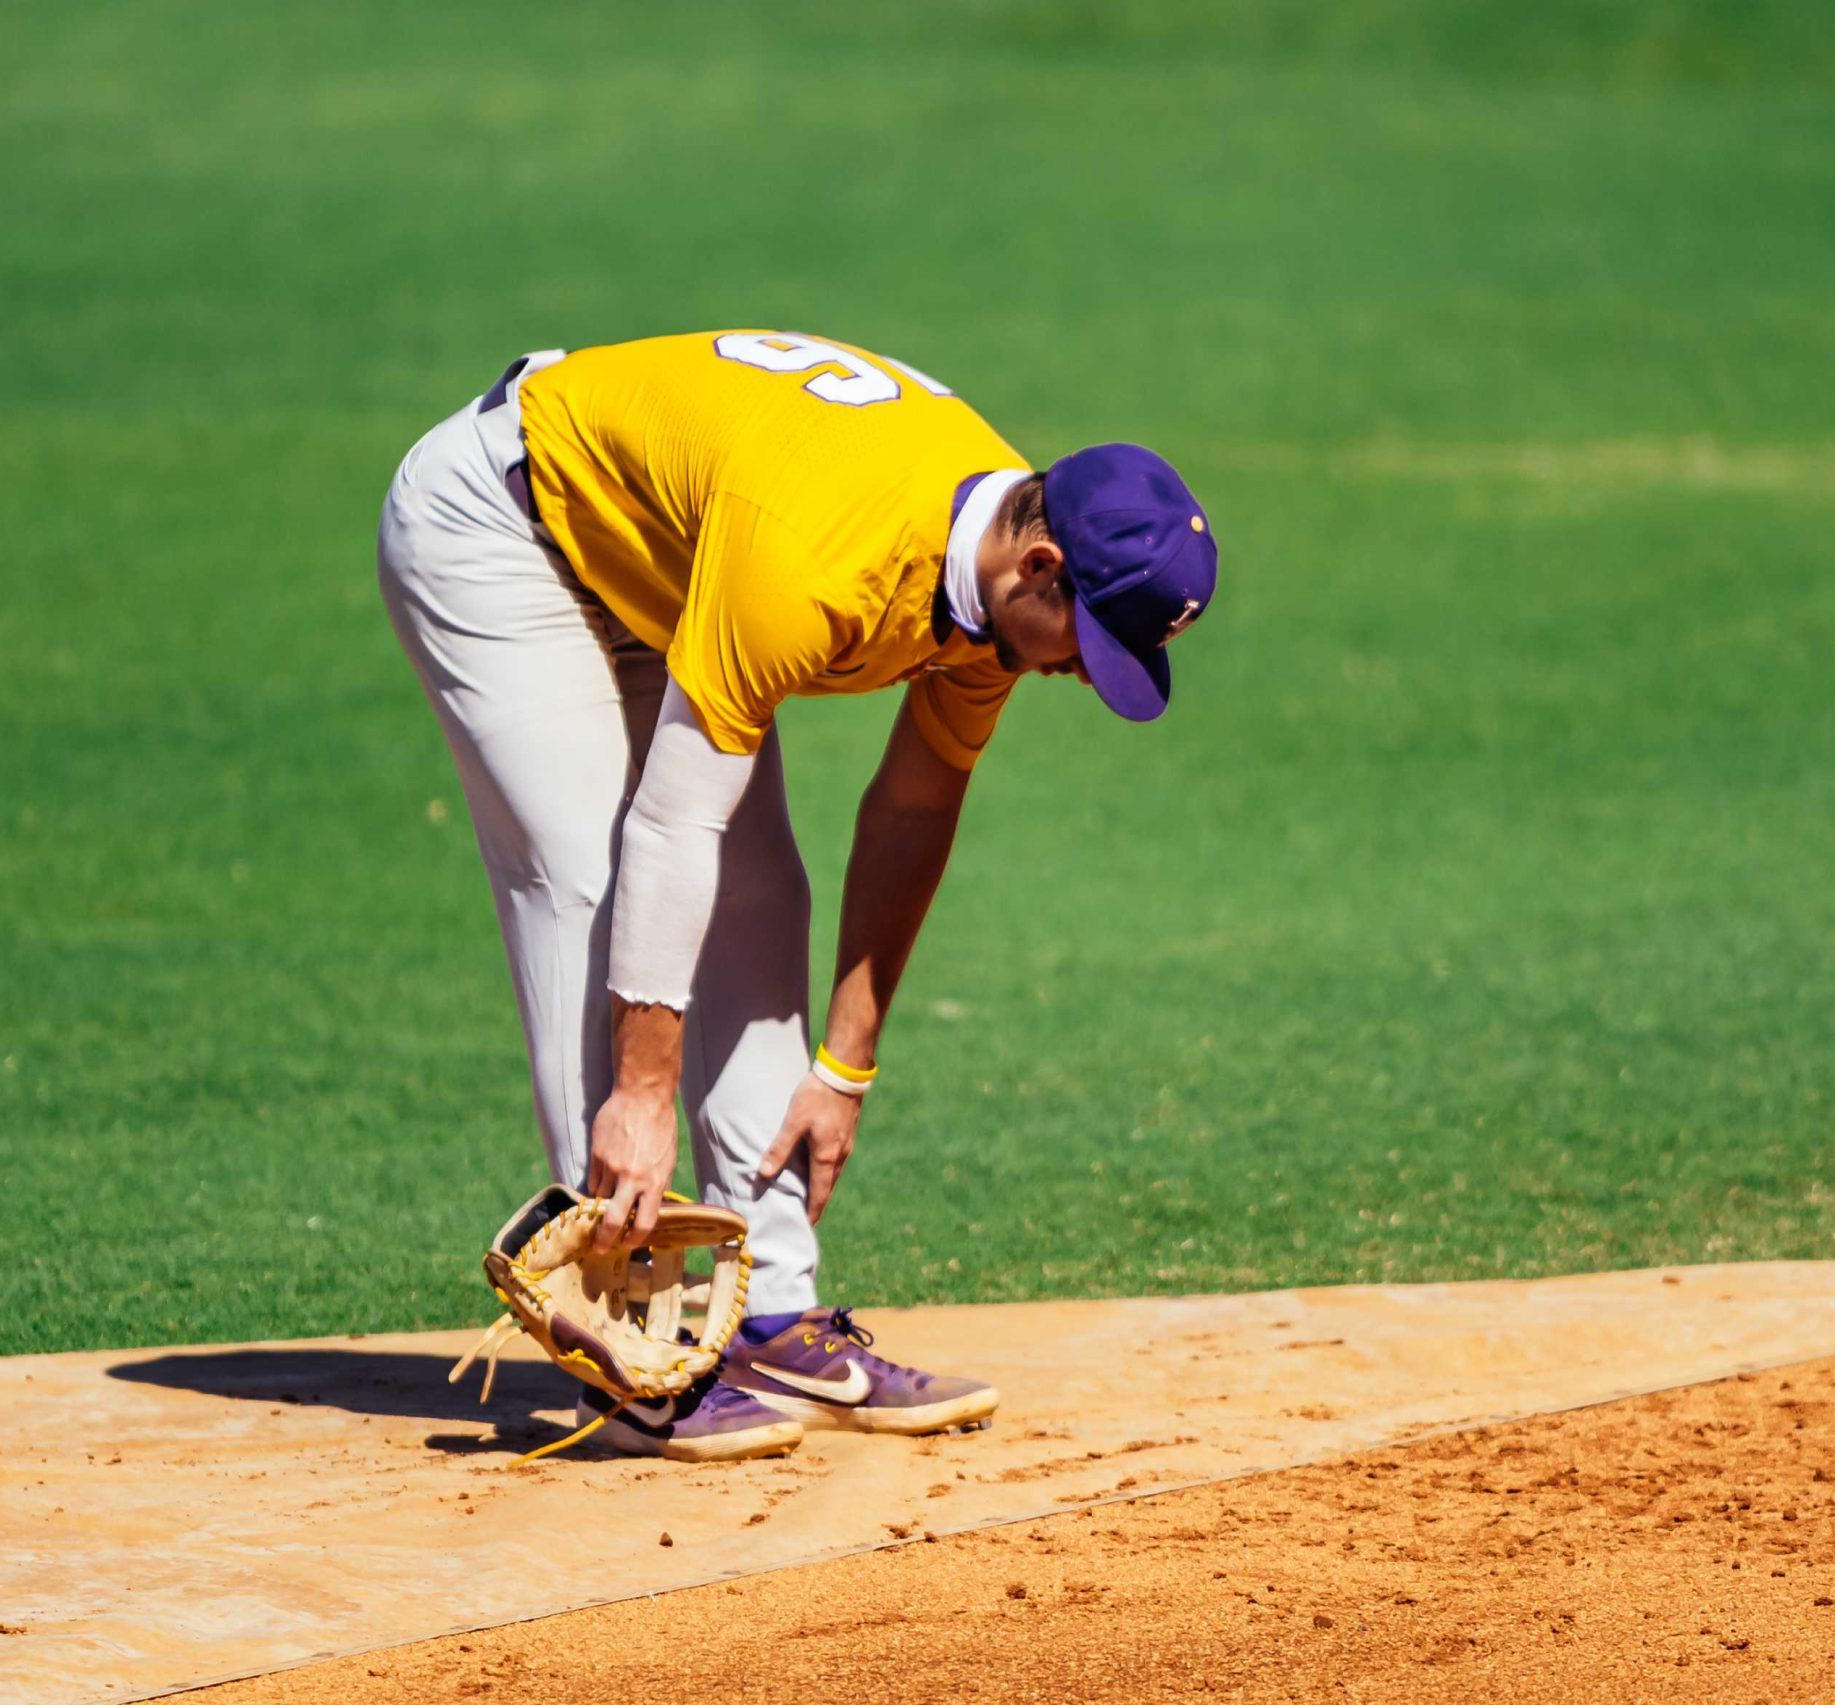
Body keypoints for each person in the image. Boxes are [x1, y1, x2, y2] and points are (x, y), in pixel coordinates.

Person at [377, 332, 1218, 1461]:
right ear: (1042, 565)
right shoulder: (826, 557)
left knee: (760, 887)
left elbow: (913, 808)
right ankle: (633, 1336)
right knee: (592, 885)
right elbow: (672, 826)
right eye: (1089, 638)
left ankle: (766, 1310)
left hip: (670, 565)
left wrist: (844, 1067)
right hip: (508, 530)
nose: (1081, 669)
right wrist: (641, 1090)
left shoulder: (992, 593)